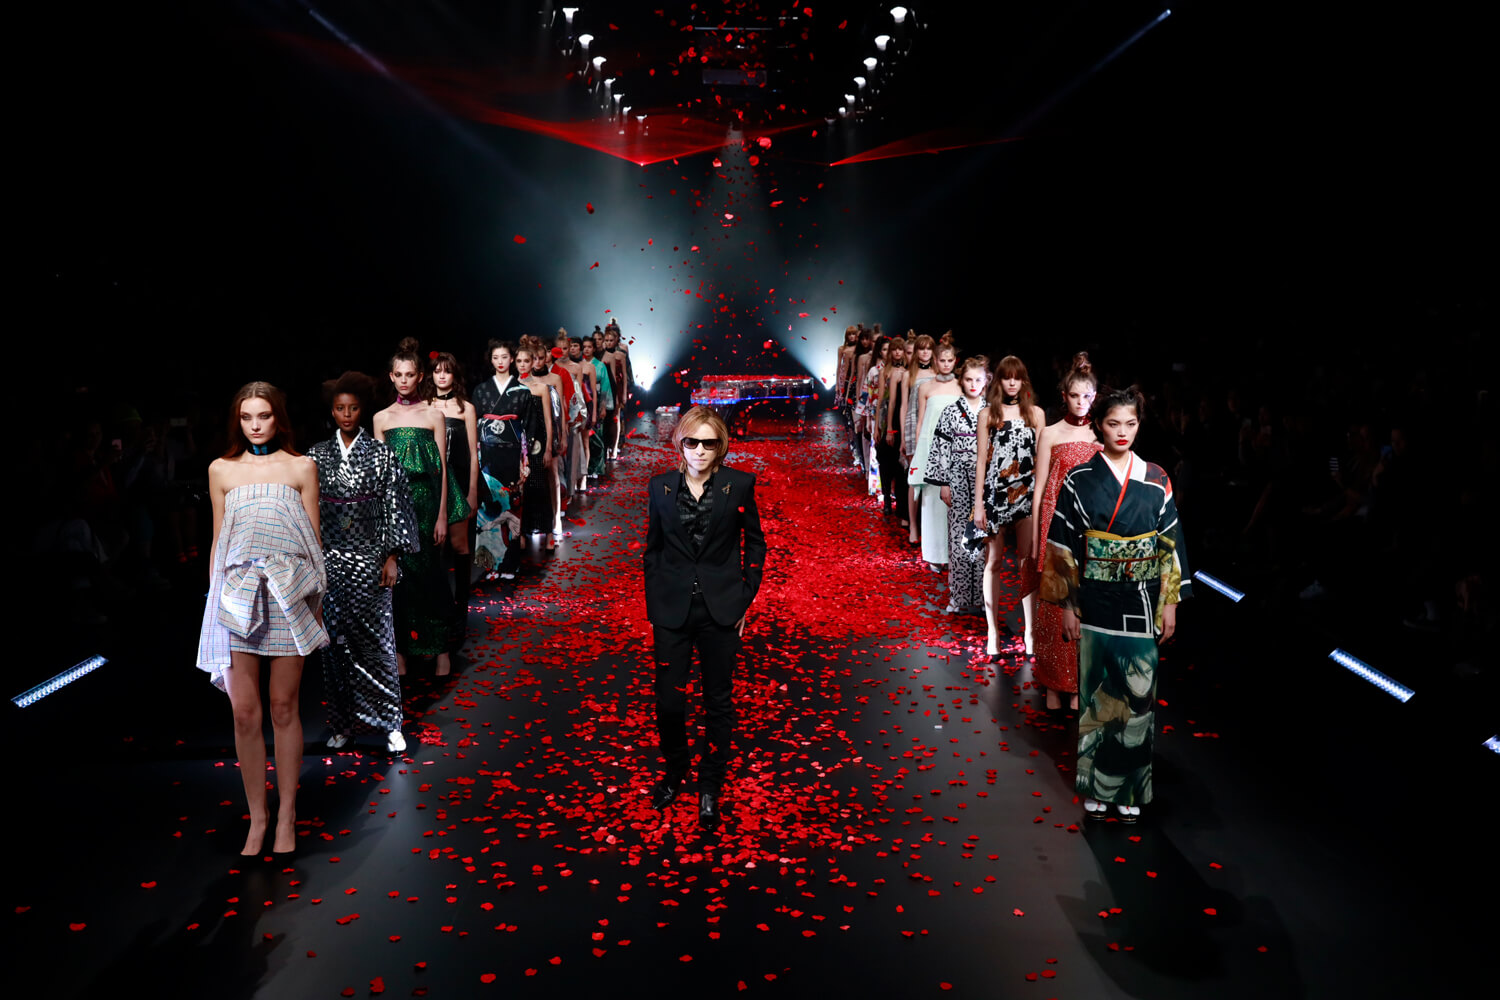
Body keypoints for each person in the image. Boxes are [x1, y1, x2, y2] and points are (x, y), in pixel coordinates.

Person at [1040, 385, 1190, 822]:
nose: (1122, 432)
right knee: (1096, 693)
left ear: (1139, 425)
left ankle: (1130, 786)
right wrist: (1068, 605)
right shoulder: (1079, 479)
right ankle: (1095, 785)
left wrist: (1169, 602)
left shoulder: (1156, 478)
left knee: (1138, 696)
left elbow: (1170, 544)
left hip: (1142, 598)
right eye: (1113, 423)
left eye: (1131, 423)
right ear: (1098, 426)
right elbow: (1063, 543)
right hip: (1096, 599)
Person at [196, 381, 328, 855]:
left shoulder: (301, 467)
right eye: (247, 417)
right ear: (237, 421)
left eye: (264, 416)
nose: (255, 425)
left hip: (288, 594)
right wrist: (214, 601)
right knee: (244, 712)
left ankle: (287, 814)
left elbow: (313, 541)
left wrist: (316, 601)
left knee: (283, 707)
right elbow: (219, 540)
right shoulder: (221, 470)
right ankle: (258, 818)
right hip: (236, 595)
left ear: (279, 418)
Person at [643, 406, 766, 828]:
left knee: (718, 702)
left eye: (708, 443)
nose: (699, 450)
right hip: (671, 611)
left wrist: (744, 599)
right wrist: (655, 603)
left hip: (721, 611)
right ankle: (676, 769)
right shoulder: (660, 487)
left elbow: (755, 544)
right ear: (679, 443)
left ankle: (710, 785)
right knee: (668, 702)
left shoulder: (739, 484)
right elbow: (653, 550)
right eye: (691, 441)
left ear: (721, 447)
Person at [308, 371, 420, 753]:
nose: (346, 415)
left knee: (378, 644)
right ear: (332, 411)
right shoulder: (316, 456)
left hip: (371, 559)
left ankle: (390, 724)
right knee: (333, 647)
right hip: (329, 559)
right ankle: (341, 724)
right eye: (340, 408)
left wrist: (392, 557)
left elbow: (395, 506)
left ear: (362, 409)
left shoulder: (381, 454)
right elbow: (308, 510)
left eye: (353, 408)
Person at [374, 339, 468, 676]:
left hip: (428, 503)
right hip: (395, 506)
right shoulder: (381, 418)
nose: (404, 380)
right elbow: (381, 475)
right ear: (391, 376)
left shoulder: (433, 415)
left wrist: (442, 515)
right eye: (398, 374)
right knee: (400, 580)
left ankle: (441, 648)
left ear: (419, 377)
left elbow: (441, 469)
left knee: (431, 575)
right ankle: (402, 652)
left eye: (409, 374)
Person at [1029, 353, 1102, 710]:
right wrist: (1035, 539)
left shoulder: (1100, 434)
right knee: (1052, 606)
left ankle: (1076, 685)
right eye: (1074, 396)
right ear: (1064, 396)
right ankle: (1053, 684)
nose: (1081, 402)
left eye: (1087, 396)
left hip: (1089, 526)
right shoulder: (1050, 433)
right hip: (1053, 523)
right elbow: (1040, 488)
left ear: (1094, 397)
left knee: (1083, 604)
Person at [972, 355, 1047, 657]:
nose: (1012, 382)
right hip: (995, 495)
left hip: (1027, 495)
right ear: (999, 381)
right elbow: (981, 461)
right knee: (994, 561)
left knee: (1026, 563)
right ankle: (992, 631)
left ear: (1023, 380)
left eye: (1017, 377)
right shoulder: (988, 414)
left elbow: (1042, 460)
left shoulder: (1036, 414)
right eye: (1007, 377)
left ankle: (1030, 631)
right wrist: (978, 505)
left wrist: (1041, 501)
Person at [926, 356, 990, 613]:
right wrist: (943, 482)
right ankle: (958, 597)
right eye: (969, 379)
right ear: (961, 381)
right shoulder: (950, 411)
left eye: (978, 380)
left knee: (982, 538)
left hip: (985, 482)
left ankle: (984, 598)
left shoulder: (991, 411)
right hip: (957, 478)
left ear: (985, 382)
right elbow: (941, 448)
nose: (973, 384)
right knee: (958, 536)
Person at [471, 339, 539, 579]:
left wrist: (526, 461)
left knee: (512, 508)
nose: (500, 362)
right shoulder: (481, 390)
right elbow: (475, 424)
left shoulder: (523, 391)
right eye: (495, 357)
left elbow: (530, 428)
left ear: (512, 359)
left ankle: (510, 565)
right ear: (491, 360)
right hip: (487, 456)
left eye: (504, 357)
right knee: (488, 509)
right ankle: (490, 565)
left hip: (513, 455)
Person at [426, 353, 479, 649]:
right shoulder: (425, 407)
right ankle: (439, 611)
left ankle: (461, 611)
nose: (442, 376)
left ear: (454, 375)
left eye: (447, 371)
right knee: (435, 549)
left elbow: (473, 454)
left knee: (460, 547)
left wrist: (472, 492)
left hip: (459, 483)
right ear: (431, 375)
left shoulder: (466, 408)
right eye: (437, 371)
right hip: (432, 486)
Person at [909, 341, 962, 572]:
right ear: (935, 361)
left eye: (950, 361)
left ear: (955, 362)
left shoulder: (961, 386)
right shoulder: (925, 387)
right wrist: (918, 453)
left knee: (955, 504)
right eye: (942, 360)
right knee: (931, 503)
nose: (946, 364)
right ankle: (933, 554)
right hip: (930, 451)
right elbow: (921, 422)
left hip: (957, 451)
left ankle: (954, 554)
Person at [516, 343, 557, 550]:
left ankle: (548, 532)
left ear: (533, 362)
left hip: (538, 444)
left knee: (540, 487)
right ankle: (522, 532)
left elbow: (549, 421)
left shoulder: (541, 388)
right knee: (521, 489)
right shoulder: (511, 387)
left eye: (526, 361)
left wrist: (549, 448)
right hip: (518, 443)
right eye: (519, 361)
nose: (523, 364)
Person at [899, 334, 938, 544]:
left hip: (934, 427)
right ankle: (913, 525)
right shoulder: (909, 375)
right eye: (921, 348)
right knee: (914, 478)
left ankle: (929, 526)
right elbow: (904, 406)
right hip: (914, 426)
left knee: (934, 479)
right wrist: (904, 437)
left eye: (928, 348)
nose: (925, 352)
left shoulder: (938, 374)